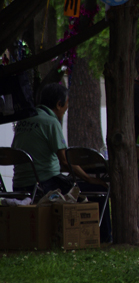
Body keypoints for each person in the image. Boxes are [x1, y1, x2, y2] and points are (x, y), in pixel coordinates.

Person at [11, 83, 111, 241]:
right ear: (59, 104)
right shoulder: (50, 122)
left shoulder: (24, 120)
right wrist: (88, 178)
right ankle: (105, 238)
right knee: (98, 189)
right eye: (66, 104)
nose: (66, 109)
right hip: (45, 185)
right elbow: (65, 161)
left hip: (19, 185)